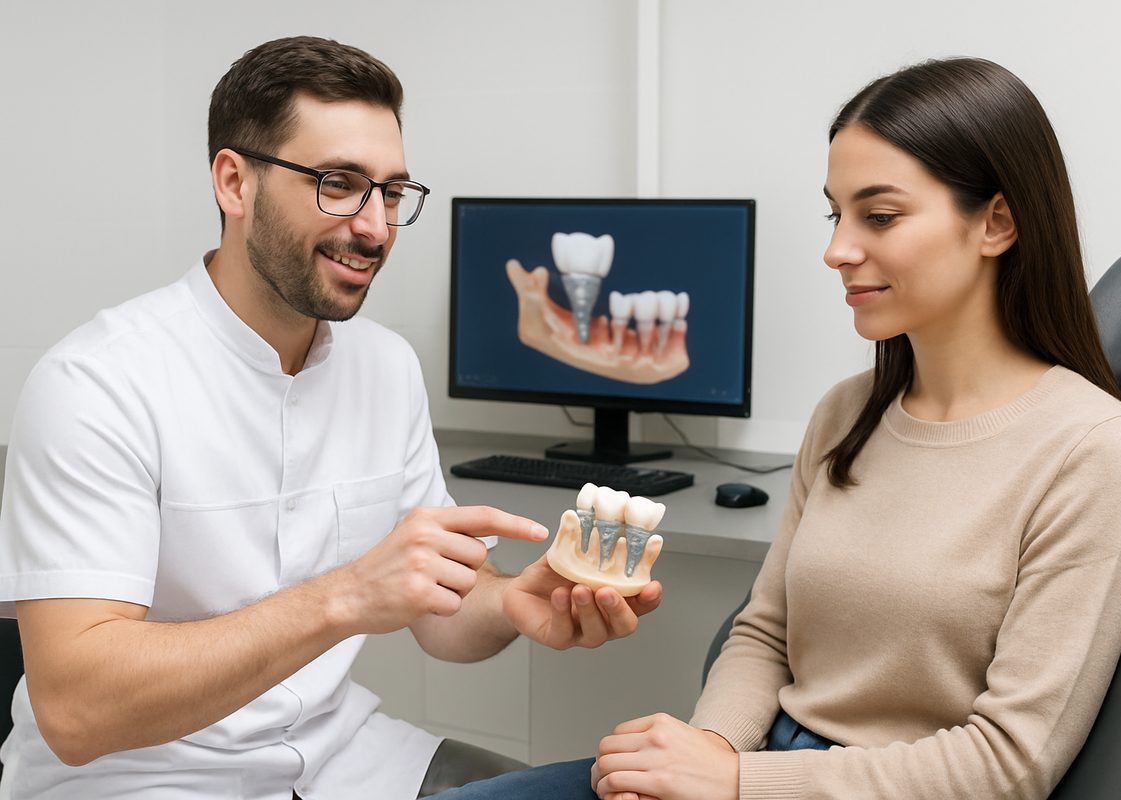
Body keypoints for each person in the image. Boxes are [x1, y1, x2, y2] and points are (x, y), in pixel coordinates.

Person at [429, 56, 1121, 800]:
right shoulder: (848, 413)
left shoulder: (1093, 449)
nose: (837, 249)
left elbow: (1010, 764)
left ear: (997, 222)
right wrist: (702, 754)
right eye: (834, 214)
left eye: (878, 216)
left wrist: (739, 779)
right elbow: (763, 632)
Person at [0, 36, 661, 800]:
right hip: (142, 778)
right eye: (339, 184)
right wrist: (345, 596)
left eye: (391, 192)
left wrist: (511, 601)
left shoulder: (384, 367)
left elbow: (444, 616)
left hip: (344, 760)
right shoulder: (97, 384)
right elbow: (77, 712)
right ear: (233, 182)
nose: (375, 227)